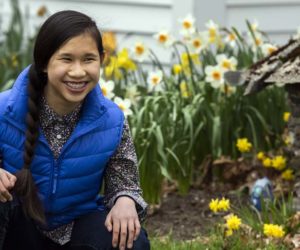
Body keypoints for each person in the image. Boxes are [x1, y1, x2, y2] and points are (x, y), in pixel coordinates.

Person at [0, 10, 150, 250]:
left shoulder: (112, 120)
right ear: (44, 62)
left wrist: (125, 199)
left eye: (88, 59)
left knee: (131, 239)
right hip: (16, 232)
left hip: (74, 231)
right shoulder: (3, 111)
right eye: (67, 59)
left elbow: (125, 182)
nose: (78, 72)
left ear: (102, 59)